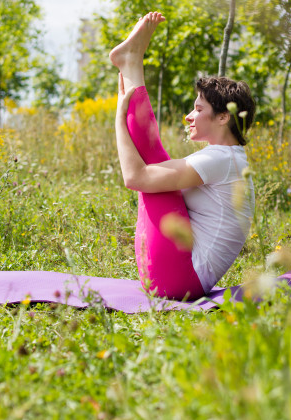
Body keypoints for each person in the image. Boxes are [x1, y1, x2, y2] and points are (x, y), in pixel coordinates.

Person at [109, 11, 255, 300]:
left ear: (224, 118)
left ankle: (132, 65)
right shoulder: (229, 158)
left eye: (199, 110)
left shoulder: (222, 160)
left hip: (178, 279)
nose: (190, 117)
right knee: (159, 167)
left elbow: (134, 177)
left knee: (154, 173)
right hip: (178, 275)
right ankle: (131, 64)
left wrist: (118, 116)